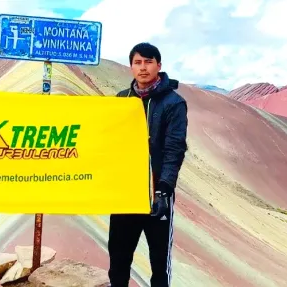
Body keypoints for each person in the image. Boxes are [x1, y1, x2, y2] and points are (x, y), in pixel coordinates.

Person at [108, 42, 188, 287]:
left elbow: (174, 149)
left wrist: (164, 189)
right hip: (126, 195)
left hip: (157, 196)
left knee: (159, 266)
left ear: (158, 66)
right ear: (131, 66)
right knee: (118, 262)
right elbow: (110, 143)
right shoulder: (122, 100)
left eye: (148, 62)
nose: (143, 68)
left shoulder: (174, 103)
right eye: (137, 62)